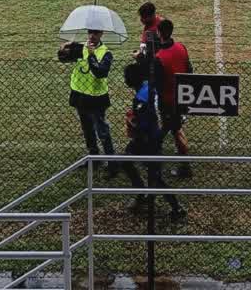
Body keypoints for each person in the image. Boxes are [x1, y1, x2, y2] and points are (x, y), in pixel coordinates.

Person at [59, 30, 140, 185]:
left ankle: (112, 163)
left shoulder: (106, 53)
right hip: (80, 95)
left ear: (101, 34)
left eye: (95, 33)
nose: (91, 36)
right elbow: (63, 58)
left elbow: (100, 73)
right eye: (90, 32)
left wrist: (90, 55)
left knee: (102, 131)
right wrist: (64, 49)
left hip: (96, 99)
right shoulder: (81, 47)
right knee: (87, 129)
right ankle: (94, 157)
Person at [122, 58, 186, 219]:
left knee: (155, 177)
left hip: (148, 140)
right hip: (153, 135)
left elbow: (142, 124)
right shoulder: (148, 88)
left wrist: (132, 121)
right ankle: (142, 194)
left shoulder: (141, 99)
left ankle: (175, 207)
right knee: (126, 161)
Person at [151, 18, 195, 178]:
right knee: (175, 130)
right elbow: (189, 71)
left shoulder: (160, 57)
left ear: (158, 33)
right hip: (182, 98)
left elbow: (158, 85)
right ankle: (182, 165)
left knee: (169, 132)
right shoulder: (181, 48)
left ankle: (184, 167)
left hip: (168, 102)